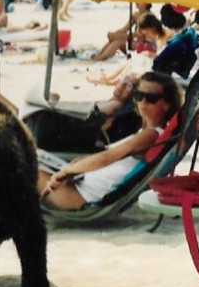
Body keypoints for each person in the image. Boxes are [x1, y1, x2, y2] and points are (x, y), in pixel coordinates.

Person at [37, 72, 181, 210]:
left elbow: (106, 158)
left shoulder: (150, 135)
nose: (142, 102)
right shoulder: (145, 132)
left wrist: (65, 172)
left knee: (23, 165)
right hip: (79, 183)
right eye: (138, 95)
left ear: (166, 104)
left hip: (80, 195)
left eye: (151, 98)